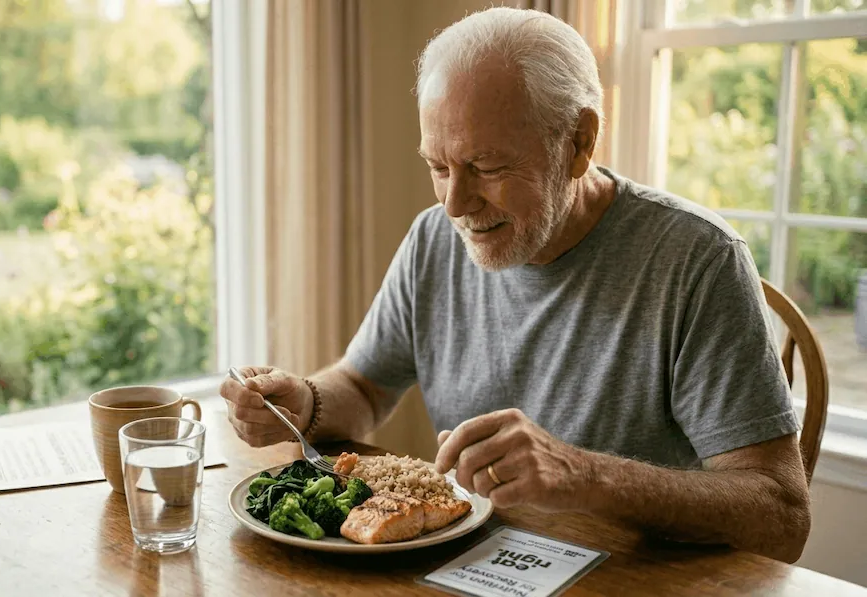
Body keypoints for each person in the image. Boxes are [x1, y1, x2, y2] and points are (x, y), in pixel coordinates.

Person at [220, 7, 810, 563]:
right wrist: (308, 402)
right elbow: (365, 387)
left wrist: (583, 476)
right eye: (438, 166)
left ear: (578, 143)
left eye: (487, 167)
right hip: (475, 563)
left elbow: (782, 518)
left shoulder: (696, 260)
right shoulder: (433, 238)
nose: (455, 203)